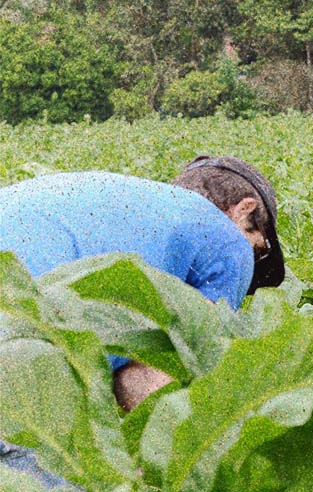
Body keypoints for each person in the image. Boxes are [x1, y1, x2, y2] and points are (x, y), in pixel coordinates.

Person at [0, 156, 285, 487]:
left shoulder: (134, 213)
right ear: (244, 210)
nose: (251, 261)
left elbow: (135, 378)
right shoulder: (228, 240)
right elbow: (164, 388)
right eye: (259, 249)